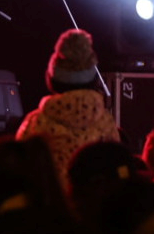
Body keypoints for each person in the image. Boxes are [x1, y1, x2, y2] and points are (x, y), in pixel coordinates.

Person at [15, 28, 121, 185]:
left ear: (52, 78)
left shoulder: (35, 123)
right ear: (93, 79)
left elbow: (18, 174)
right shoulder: (107, 125)